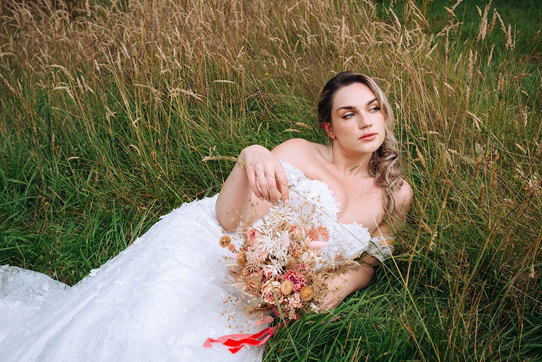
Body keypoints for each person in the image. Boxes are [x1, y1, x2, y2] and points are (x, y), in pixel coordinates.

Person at [0, 71, 411, 361]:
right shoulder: (297, 153)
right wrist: (249, 158)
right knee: (145, 334)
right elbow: (234, 223)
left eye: (373, 108)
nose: (366, 121)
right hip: (216, 247)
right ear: (329, 128)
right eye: (349, 114)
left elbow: (371, 262)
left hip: (276, 285)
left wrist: (347, 280)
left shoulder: (396, 195)